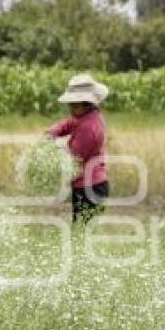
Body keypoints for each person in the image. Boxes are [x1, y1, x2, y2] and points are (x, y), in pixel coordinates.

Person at [46, 74, 109, 223]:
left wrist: (51, 151)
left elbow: (74, 156)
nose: (71, 109)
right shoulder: (84, 117)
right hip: (84, 185)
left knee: (83, 230)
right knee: (80, 230)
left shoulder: (90, 127)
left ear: (88, 103)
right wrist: (52, 132)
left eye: (74, 105)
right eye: (70, 105)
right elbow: (69, 124)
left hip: (90, 187)